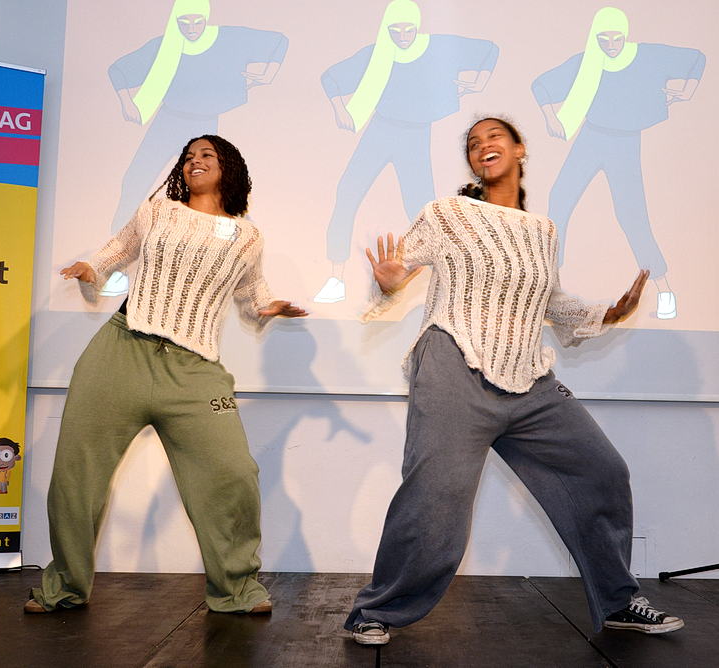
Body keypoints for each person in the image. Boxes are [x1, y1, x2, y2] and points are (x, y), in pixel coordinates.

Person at [345, 117, 682, 646]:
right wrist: (389, 284)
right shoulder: (448, 213)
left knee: (601, 470)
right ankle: (376, 610)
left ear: (520, 149)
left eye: (494, 137)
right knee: (436, 495)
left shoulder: (542, 230)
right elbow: (397, 271)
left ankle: (618, 602)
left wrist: (607, 313)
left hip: (528, 377)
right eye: (473, 143)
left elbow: (548, 301)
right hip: (454, 359)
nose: (483, 146)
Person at [25, 134, 306, 614]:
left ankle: (236, 590)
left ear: (229, 167)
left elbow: (252, 294)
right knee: (76, 474)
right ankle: (65, 587)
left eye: (207, 155)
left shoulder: (247, 235)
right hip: (121, 350)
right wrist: (91, 267)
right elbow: (119, 247)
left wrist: (269, 307)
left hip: (193, 368)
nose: (195, 162)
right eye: (189, 156)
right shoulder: (159, 210)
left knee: (234, 472)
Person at [312, 0, 498, 304]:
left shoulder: (435, 47)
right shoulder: (377, 53)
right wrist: (340, 109)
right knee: (347, 191)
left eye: (407, 29)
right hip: (379, 130)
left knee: (421, 208)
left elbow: (489, 50)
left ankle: (440, 280)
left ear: (417, 27)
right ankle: (336, 276)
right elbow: (330, 78)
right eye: (394, 30)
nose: (401, 36)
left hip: (415, 135)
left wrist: (478, 81)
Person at [102, 0, 289, 296]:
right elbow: (118, 70)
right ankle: (117, 267)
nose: (190, 28)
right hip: (167, 120)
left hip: (204, 127)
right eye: (184, 22)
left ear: (206, 18)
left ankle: (242, 273)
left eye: (196, 22)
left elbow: (279, 41)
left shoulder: (227, 38)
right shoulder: (165, 46)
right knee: (134, 180)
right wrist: (128, 102)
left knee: (221, 193)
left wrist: (270, 72)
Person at [531, 6, 705, 319]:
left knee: (632, 215)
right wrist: (550, 117)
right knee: (560, 198)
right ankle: (549, 282)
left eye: (616, 38)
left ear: (625, 35)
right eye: (604, 38)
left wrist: (688, 89)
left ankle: (665, 291)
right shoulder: (588, 62)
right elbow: (541, 85)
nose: (610, 44)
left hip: (625, 144)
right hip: (591, 138)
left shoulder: (646, 56)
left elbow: (696, 59)